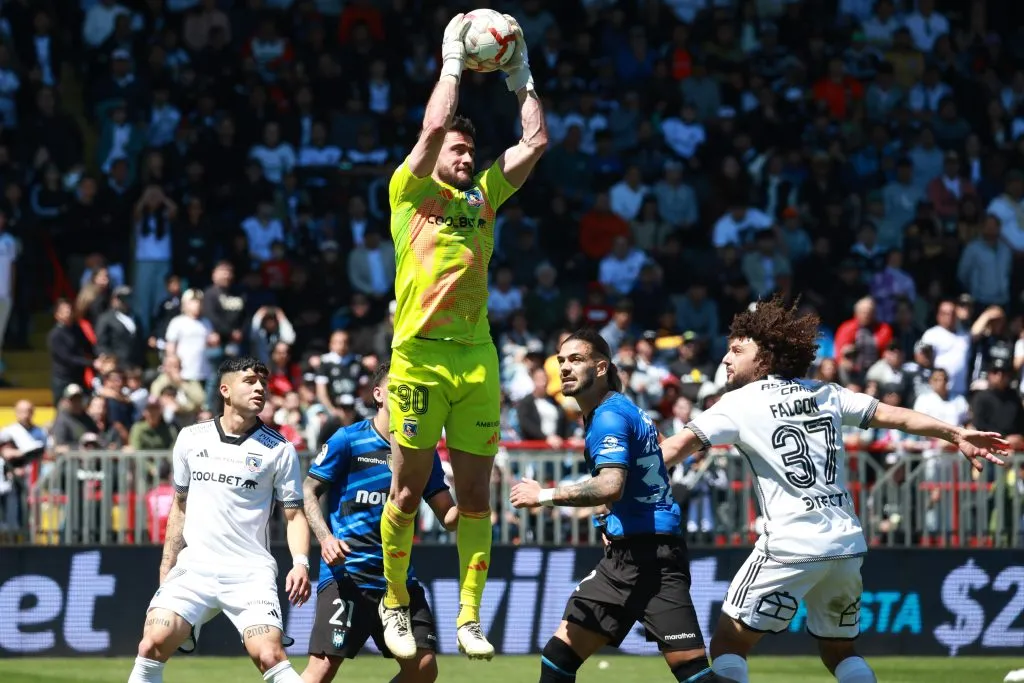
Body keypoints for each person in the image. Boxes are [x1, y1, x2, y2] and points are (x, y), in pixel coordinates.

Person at [657, 296, 1009, 683]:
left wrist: (627, 475)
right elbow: (897, 417)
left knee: (728, 645)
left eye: (737, 350)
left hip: (789, 546)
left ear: (766, 357)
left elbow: (671, 451)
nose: (726, 359)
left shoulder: (738, 402)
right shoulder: (827, 393)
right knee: (839, 651)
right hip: (845, 545)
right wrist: (956, 432)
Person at [380, 11, 548, 661]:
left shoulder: (484, 196)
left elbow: (535, 143)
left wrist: (522, 75)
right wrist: (453, 62)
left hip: (477, 357)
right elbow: (429, 128)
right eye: (459, 149)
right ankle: (395, 602)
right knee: (406, 489)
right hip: (418, 356)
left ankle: (469, 618)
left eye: (469, 150)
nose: (466, 155)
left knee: (475, 496)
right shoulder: (409, 192)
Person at [509, 328, 734, 683]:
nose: (565, 368)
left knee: (695, 676)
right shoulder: (625, 409)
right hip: (628, 556)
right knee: (558, 657)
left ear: (601, 368)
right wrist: (610, 517)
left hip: (652, 559)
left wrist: (543, 496)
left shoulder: (608, 417)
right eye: (561, 361)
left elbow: (611, 485)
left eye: (576, 359)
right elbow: (653, 462)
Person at [127, 357, 312, 683]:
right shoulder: (191, 438)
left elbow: (294, 514)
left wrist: (300, 563)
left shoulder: (279, 449)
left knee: (269, 655)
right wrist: (166, 565)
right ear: (225, 390)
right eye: (250, 381)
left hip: (249, 573)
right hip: (194, 569)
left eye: (263, 383)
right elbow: (180, 505)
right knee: (151, 644)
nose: (260, 388)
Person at [301, 361, 459, 683]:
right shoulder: (348, 440)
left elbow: (449, 517)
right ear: (378, 395)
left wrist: (475, 502)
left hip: (398, 580)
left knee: (424, 669)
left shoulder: (423, 453)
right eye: (396, 388)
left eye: (410, 390)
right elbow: (309, 489)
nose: (405, 395)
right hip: (349, 574)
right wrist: (326, 538)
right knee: (321, 672)